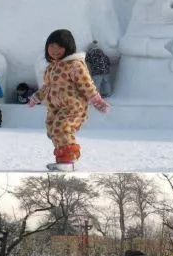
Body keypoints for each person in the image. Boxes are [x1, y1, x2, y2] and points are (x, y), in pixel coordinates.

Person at [27, 29, 111, 171]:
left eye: (60, 47)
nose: (55, 50)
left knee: (62, 127)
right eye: (52, 46)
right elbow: (47, 87)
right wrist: (36, 97)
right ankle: (62, 159)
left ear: (68, 48)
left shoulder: (75, 65)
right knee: (53, 130)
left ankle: (69, 157)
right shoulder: (50, 68)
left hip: (73, 106)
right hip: (55, 108)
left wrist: (96, 100)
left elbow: (86, 84)